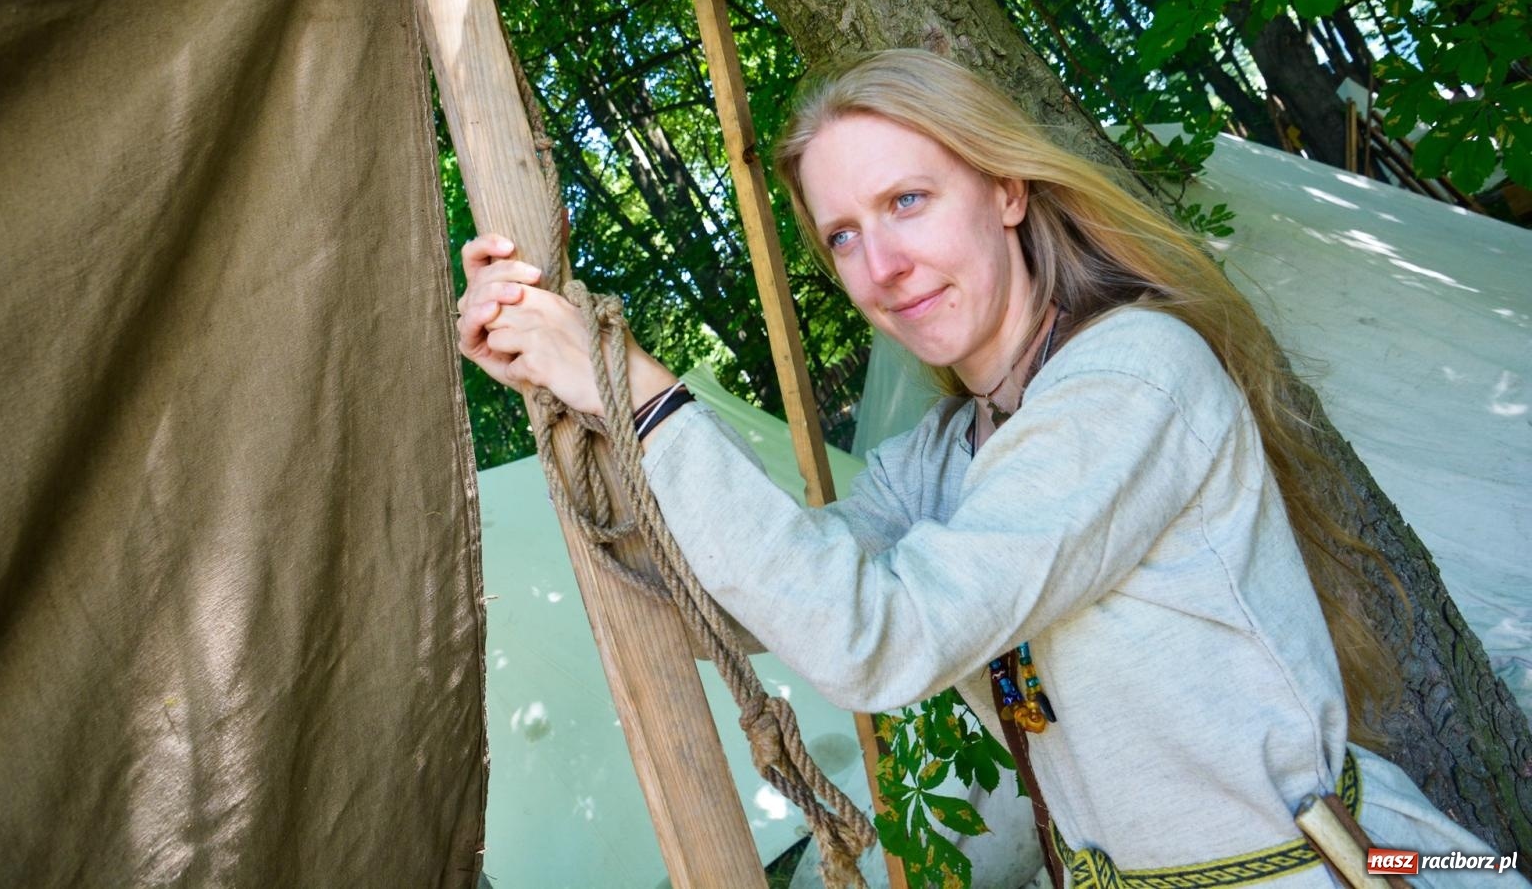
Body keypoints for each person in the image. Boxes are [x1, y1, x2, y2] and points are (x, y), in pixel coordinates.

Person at [456, 49, 1516, 887]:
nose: (883, 265)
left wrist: (638, 391)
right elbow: (756, 607)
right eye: (843, 235)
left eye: (908, 201)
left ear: (1006, 190)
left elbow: (883, 638)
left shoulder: (1131, 379)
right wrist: (580, 402)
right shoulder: (941, 456)